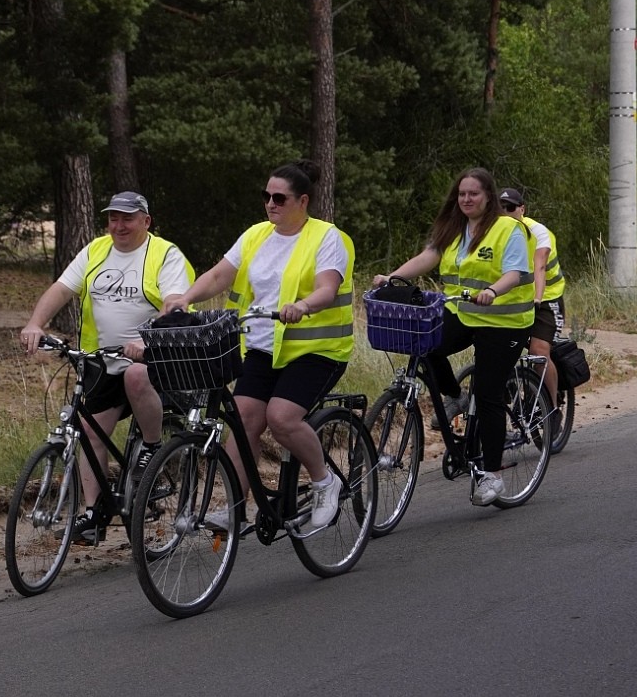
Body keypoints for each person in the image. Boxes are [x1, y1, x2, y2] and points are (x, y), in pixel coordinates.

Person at [164, 159, 355, 535]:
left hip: (317, 350)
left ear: (303, 201)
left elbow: (327, 288)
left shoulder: (326, 237)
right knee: (244, 419)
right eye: (266, 196)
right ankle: (234, 506)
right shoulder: (256, 235)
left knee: (281, 419)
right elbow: (221, 274)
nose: (271, 204)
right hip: (263, 347)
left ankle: (324, 482)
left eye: (279, 198)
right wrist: (185, 298)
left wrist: (303, 305)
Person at [20, 191, 193, 545]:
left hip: (155, 360)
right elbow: (61, 289)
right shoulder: (96, 250)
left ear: (146, 221)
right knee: (89, 429)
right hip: (102, 359)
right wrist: (36, 323)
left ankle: (151, 445)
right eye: (113, 218)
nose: (119, 225)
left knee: (135, 374)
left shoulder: (165, 254)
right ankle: (92, 512)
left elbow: (176, 305)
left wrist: (149, 342)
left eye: (128, 218)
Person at [373, 167, 534, 506]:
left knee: (489, 394)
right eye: (462, 194)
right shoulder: (453, 227)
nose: (466, 199)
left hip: (505, 322)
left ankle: (492, 476)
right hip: (464, 312)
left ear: (488, 196)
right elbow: (428, 257)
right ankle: (454, 395)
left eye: (473, 193)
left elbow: (516, 272)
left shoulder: (508, 229)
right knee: (424, 342)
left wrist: (493, 290)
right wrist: (392, 277)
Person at [499, 187, 568, 435]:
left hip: (546, 300)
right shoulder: (493, 233)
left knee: (539, 352)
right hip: (512, 301)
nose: (505, 213)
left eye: (511, 208)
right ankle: (505, 393)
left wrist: (537, 297)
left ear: (522, 209)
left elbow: (539, 266)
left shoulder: (538, 231)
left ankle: (551, 409)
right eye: (500, 208)